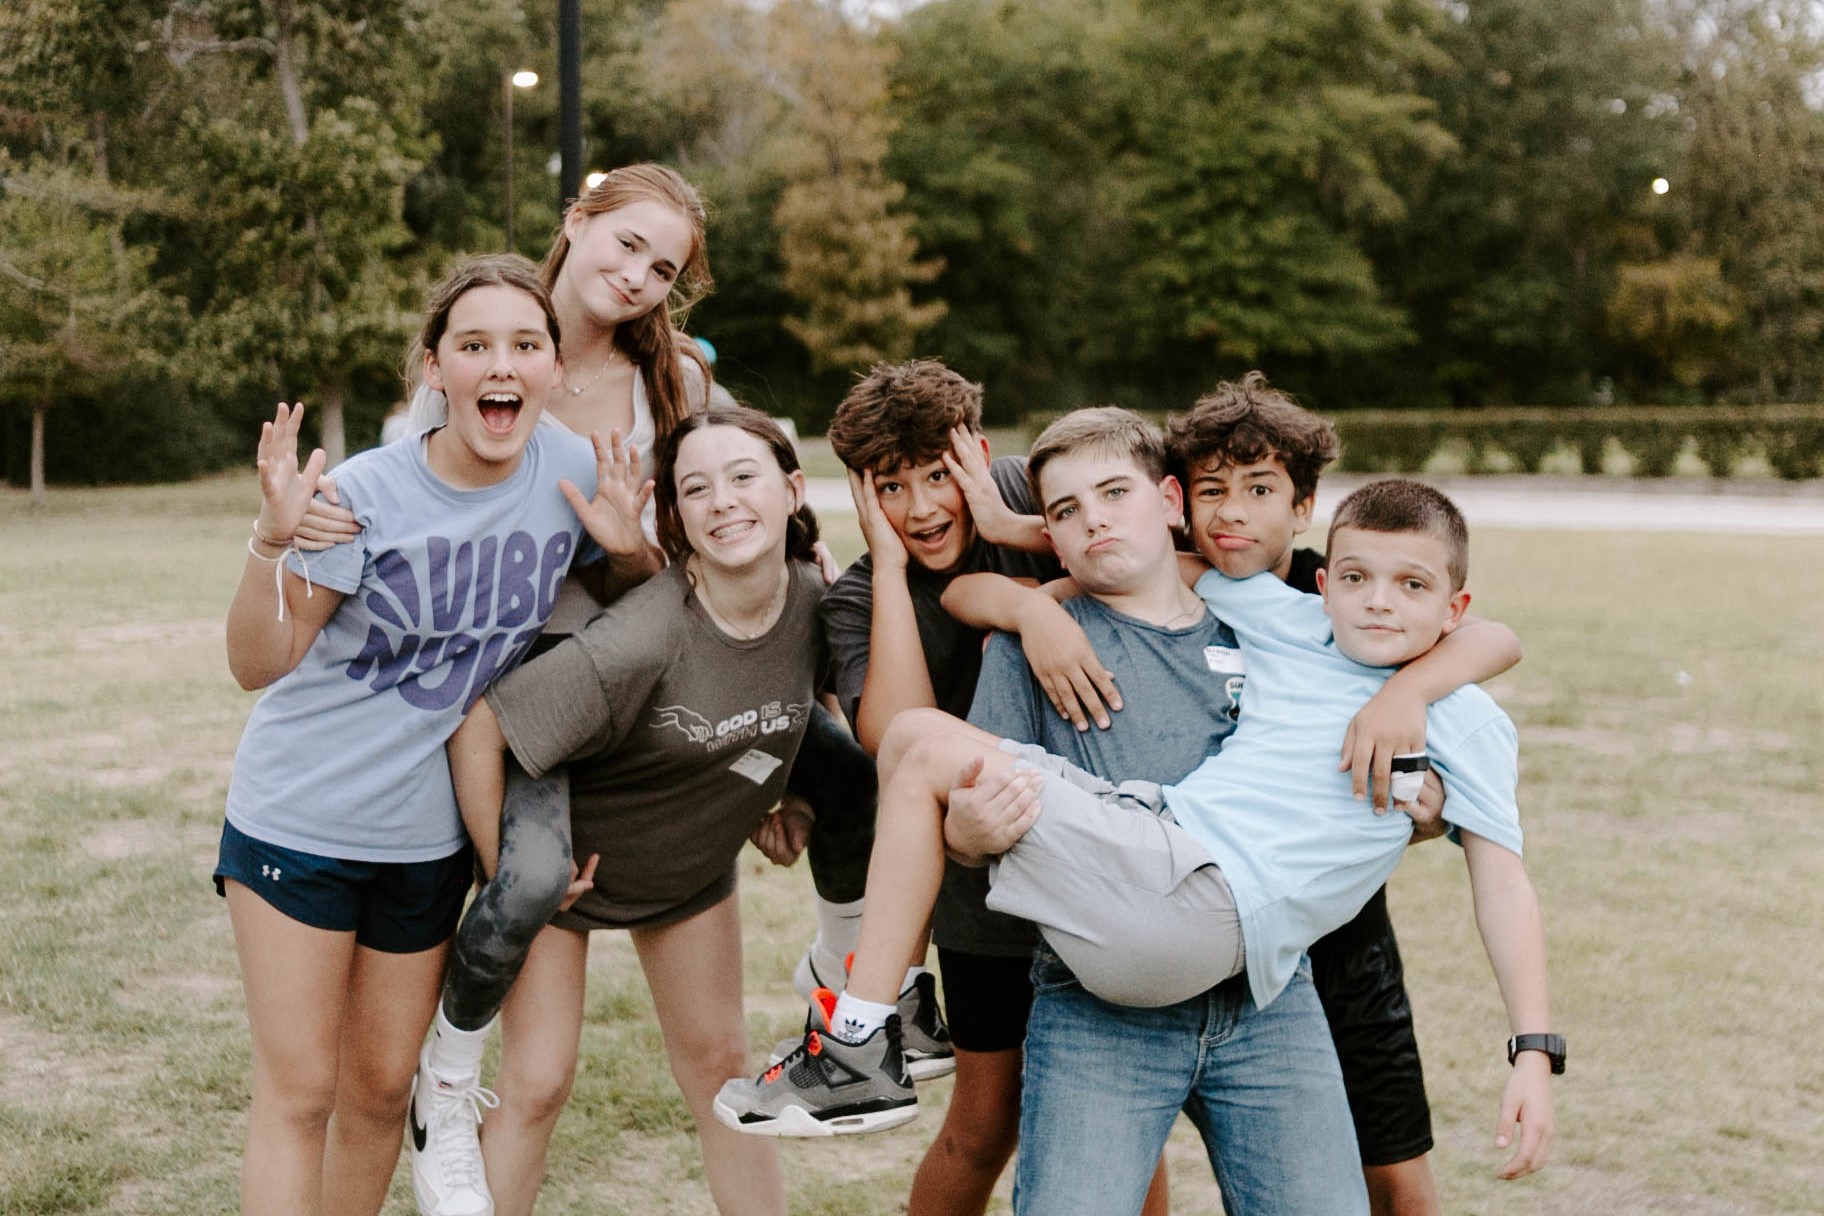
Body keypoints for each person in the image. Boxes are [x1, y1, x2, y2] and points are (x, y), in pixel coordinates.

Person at [718, 413, 1556, 1214]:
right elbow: (1104, 569)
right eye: (1356, 580)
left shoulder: (1460, 717)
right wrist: (1028, 589)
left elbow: (1504, 884)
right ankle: (875, 1024)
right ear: (1322, 582)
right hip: (1155, 877)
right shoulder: (1293, 621)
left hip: (1229, 931)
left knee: (917, 740)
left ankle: (871, 1027)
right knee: (913, 739)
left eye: (1411, 587)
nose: (1377, 603)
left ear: (1454, 609)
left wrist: (1532, 1051)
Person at [216, 253, 636, 1216]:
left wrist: (630, 552)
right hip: (302, 824)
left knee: (377, 1092)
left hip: (428, 843)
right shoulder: (364, 492)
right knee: (301, 1094)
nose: (502, 364)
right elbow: (256, 663)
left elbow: (631, 595)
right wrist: (271, 540)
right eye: (474, 345)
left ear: (554, 366)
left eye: (524, 344)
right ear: (435, 368)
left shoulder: (575, 472)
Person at [427, 406, 827, 1216]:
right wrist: (508, 877)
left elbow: (803, 709)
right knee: (538, 1082)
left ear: (792, 490)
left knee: (724, 1069)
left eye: (743, 477)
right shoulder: (640, 639)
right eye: (696, 489)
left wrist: (796, 795)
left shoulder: (817, 603)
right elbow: (481, 726)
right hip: (574, 869)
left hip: (686, 870)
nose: (723, 501)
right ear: (675, 518)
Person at [805, 361, 1171, 1216]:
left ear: (973, 449)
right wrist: (894, 571)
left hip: (1102, 857)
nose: (922, 508)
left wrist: (1023, 558)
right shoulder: (857, 598)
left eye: (937, 475)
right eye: (891, 487)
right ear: (862, 495)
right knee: (984, 1123)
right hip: (981, 888)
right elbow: (895, 733)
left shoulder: (1029, 495)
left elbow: (1153, 548)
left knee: (1123, 1123)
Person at [1166, 373, 1450, 1215]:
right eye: (1211, 490)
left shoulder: (1350, 592)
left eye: (1261, 489)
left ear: (1304, 506)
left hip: (1342, 936)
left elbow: (1480, 637)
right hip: (1197, 905)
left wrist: (1410, 702)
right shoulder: (1161, 590)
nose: (1233, 511)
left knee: (1393, 1166)